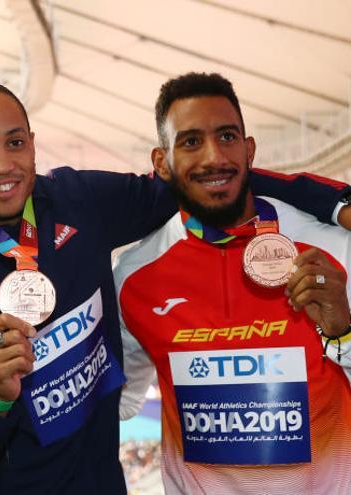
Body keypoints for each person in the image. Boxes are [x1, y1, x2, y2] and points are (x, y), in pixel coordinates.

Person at [0, 80, 351, 494]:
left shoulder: (80, 201)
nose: (1, 164)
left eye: (14, 143)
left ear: (32, 146)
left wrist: (334, 202)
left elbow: (206, 177)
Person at [116, 72, 351, 494]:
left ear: (249, 149)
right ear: (161, 162)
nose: (214, 157)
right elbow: (121, 401)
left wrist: (342, 332)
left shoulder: (331, 252)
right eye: (190, 141)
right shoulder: (135, 276)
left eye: (226, 136)